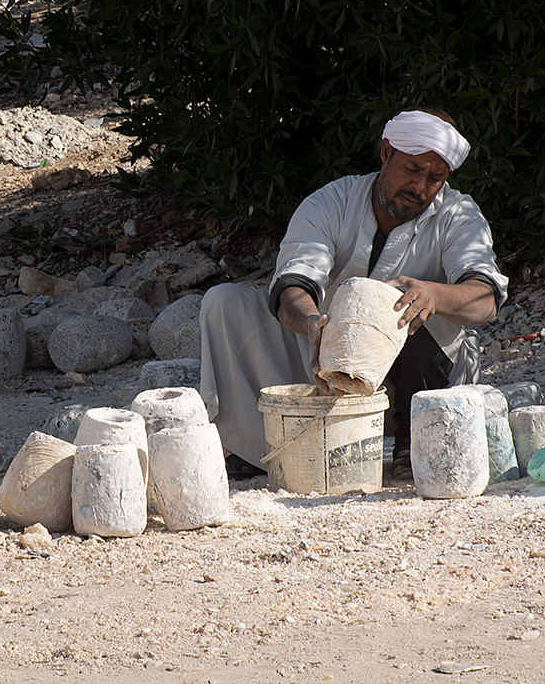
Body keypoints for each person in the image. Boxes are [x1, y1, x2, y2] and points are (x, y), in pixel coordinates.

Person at [199, 108, 509, 479]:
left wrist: (433, 295)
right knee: (224, 303)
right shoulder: (332, 202)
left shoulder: (459, 215)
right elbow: (293, 284)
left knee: (412, 307)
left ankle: (415, 442)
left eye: (435, 177)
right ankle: (266, 442)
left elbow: (485, 297)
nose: (420, 187)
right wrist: (311, 324)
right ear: (386, 152)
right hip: (326, 369)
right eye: (412, 169)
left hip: (417, 388)